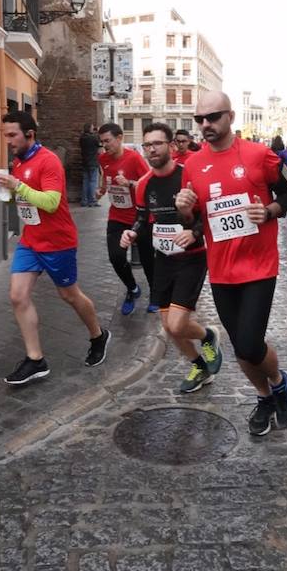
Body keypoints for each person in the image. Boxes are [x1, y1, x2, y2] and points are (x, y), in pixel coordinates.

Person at [176, 91, 287, 437]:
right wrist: (186, 212)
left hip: (260, 266)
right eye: (200, 119)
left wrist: (271, 210)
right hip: (221, 270)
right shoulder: (194, 166)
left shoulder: (261, 155)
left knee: (248, 343)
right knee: (239, 344)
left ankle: (278, 382)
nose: (205, 125)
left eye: (213, 117)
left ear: (230, 116)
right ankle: (264, 398)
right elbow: (199, 224)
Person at [0, 110, 110, 386]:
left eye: (12, 135)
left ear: (29, 134)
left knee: (69, 295)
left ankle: (98, 334)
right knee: (18, 296)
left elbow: (52, 203)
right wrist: (4, 191)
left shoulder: (49, 161)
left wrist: (17, 185)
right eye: (4, 135)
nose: (7, 141)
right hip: (30, 241)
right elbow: (22, 203)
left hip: (58, 242)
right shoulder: (19, 162)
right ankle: (35, 360)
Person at [120, 122, 222, 393]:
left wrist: (194, 234)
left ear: (171, 146)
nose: (151, 149)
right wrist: (132, 233)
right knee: (168, 325)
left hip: (193, 257)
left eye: (157, 143)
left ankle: (208, 336)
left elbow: (207, 214)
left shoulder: (188, 176)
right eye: (147, 145)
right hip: (163, 257)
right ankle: (199, 365)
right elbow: (142, 218)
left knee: (176, 324)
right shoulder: (143, 184)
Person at [97, 122, 155, 314]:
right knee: (116, 256)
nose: (105, 145)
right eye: (102, 141)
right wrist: (101, 191)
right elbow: (105, 178)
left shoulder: (135, 159)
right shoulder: (103, 158)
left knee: (147, 258)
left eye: (108, 141)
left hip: (138, 216)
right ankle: (132, 288)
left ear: (120, 138)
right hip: (117, 215)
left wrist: (129, 183)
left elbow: (149, 184)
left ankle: (156, 294)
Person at [79, 122, 100, 207]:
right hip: (93, 162)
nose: (93, 128)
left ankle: (84, 201)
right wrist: (98, 132)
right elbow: (99, 144)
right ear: (89, 128)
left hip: (85, 162)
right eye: (92, 127)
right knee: (93, 182)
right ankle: (92, 201)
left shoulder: (82, 138)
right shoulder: (93, 138)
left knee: (85, 181)